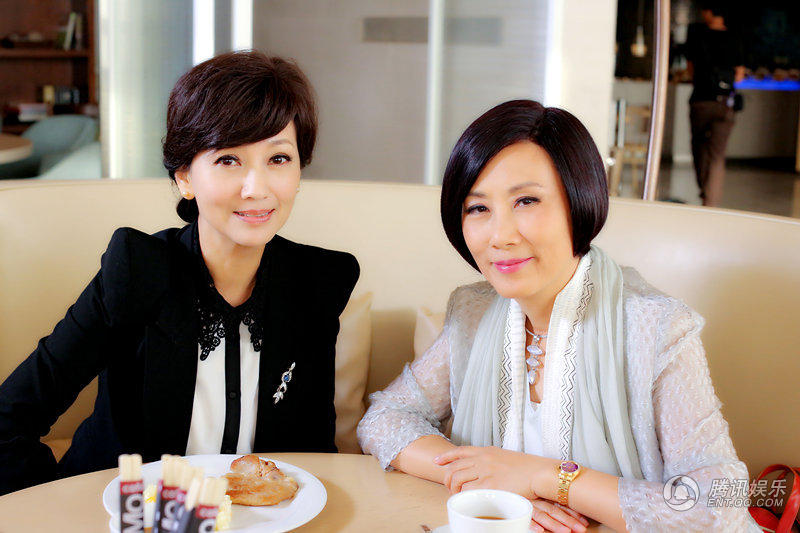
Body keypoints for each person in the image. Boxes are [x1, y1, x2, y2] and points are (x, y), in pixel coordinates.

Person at [357, 100, 759, 532]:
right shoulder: (474, 311)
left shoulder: (655, 327)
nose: (500, 236)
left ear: (579, 200)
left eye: (526, 200)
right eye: (478, 208)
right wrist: (489, 482)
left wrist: (544, 478)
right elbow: (384, 418)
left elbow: (722, 504)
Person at [0, 51, 359, 495]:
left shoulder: (318, 281)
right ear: (184, 176)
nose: (257, 188)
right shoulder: (136, 270)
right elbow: (8, 421)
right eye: (229, 159)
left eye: (279, 159)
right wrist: (56, 507)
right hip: (130, 515)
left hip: (256, 520)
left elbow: (313, 452)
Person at [685, 1, 746, 207]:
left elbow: (690, 70)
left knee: (699, 147)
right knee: (718, 154)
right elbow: (739, 75)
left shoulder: (697, 36)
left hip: (701, 100)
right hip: (726, 103)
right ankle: (711, 201)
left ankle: (705, 192)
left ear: (709, 11)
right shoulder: (734, 38)